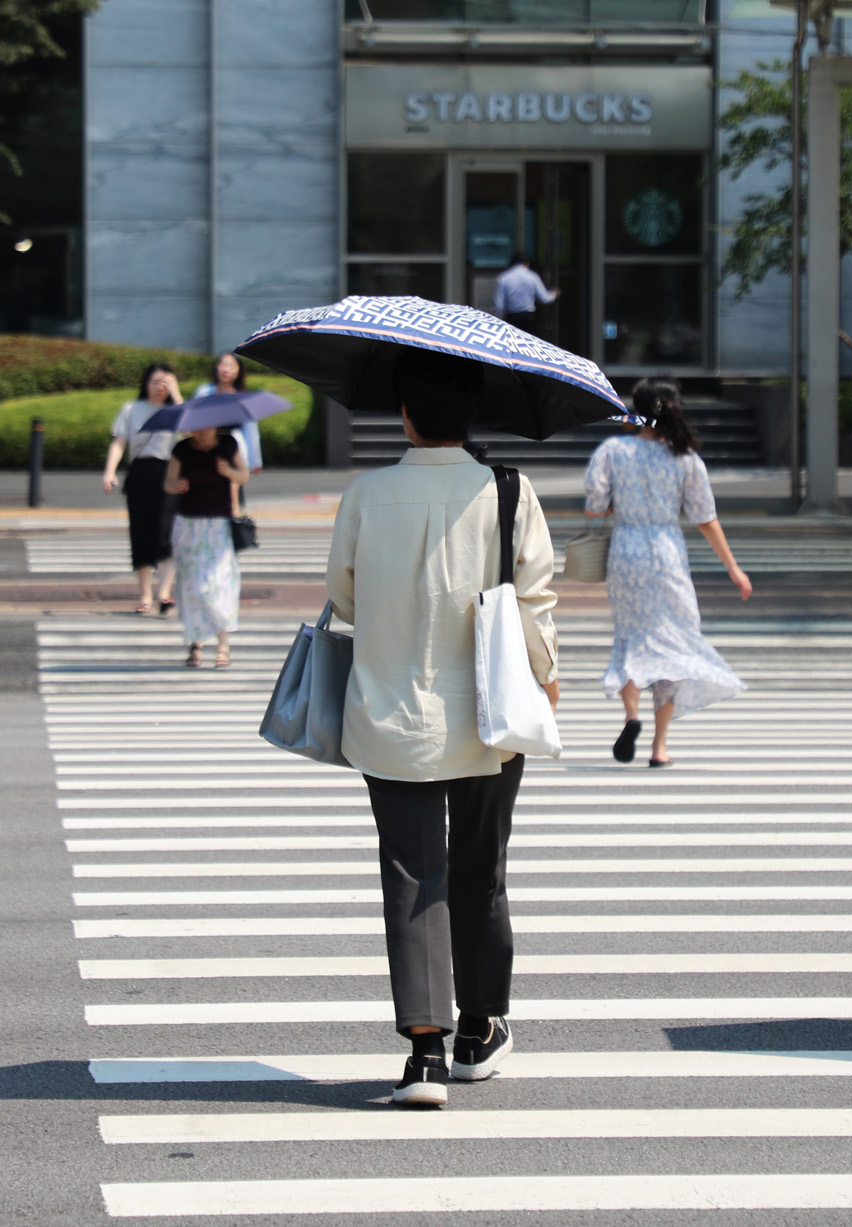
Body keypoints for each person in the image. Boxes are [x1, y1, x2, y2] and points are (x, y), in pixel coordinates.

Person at [327, 347, 560, 1108]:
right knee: (480, 869)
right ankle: (479, 1027)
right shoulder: (508, 492)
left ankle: (423, 1054)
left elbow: (345, 599)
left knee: (412, 874)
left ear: (404, 412)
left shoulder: (365, 493)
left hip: (391, 714)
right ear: (474, 413)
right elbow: (536, 604)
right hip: (490, 716)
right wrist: (547, 680)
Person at [584, 379, 751, 767]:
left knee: (630, 636)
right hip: (667, 552)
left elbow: (595, 505)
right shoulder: (685, 458)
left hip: (626, 551)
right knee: (672, 641)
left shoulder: (613, 450)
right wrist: (733, 568)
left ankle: (631, 717)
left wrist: (619, 507)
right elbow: (705, 518)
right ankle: (659, 747)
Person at [164, 425, 249, 669]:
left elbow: (244, 476)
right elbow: (168, 482)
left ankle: (223, 644)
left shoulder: (227, 445)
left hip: (218, 525)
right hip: (188, 524)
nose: (200, 434)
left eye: (206, 429)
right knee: (192, 587)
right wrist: (176, 485)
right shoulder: (182, 449)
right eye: (196, 430)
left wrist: (228, 471)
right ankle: (195, 643)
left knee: (218, 583)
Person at [102, 363, 182, 614]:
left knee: (168, 533)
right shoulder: (131, 409)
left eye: (165, 382)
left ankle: (165, 593)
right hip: (140, 473)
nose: (160, 387)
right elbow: (119, 443)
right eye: (155, 381)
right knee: (141, 532)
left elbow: (190, 430)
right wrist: (109, 471)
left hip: (169, 474)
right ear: (145, 383)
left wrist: (176, 393)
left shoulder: (176, 410)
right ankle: (145, 595)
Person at [192, 352, 265, 520]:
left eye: (231, 365)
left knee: (232, 479)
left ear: (238, 371)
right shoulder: (205, 392)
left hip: (233, 442)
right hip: (208, 442)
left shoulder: (242, 397)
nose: (226, 369)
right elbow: (194, 418)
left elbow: (251, 430)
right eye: (222, 364)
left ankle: (233, 513)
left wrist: (256, 460)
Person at [493, 253, 557, 336]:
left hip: (512, 317)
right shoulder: (532, 276)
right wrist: (554, 294)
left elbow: (499, 306)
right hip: (528, 317)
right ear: (527, 264)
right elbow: (544, 298)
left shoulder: (504, 277)